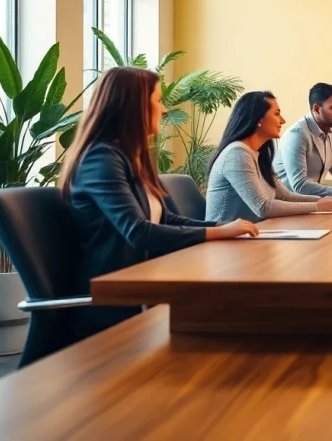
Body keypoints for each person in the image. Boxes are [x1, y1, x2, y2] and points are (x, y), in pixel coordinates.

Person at [61, 67, 258, 339]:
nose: (164, 110)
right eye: (157, 100)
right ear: (133, 106)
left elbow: (167, 219)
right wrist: (216, 233)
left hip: (145, 282)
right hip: (116, 298)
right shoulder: (100, 159)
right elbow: (138, 232)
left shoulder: (132, 155)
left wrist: (224, 226)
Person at [206, 91, 332, 222]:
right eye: (277, 114)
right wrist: (316, 206)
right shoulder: (236, 154)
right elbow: (263, 207)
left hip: (254, 233)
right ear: (258, 119)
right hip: (225, 240)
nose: (282, 120)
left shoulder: (258, 153)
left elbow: (284, 195)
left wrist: (324, 200)